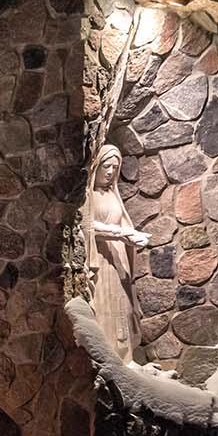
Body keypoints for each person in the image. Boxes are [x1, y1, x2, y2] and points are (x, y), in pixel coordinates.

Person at [84, 143, 152, 364]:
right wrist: (121, 234)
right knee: (106, 302)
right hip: (102, 257)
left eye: (115, 167)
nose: (111, 171)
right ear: (97, 166)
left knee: (122, 303)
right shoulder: (90, 196)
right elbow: (89, 227)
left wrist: (132, 235)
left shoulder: (112, 195)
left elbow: (123, 221)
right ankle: (111, 357)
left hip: (118, 255)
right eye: (106, 166)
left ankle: (126, 357)